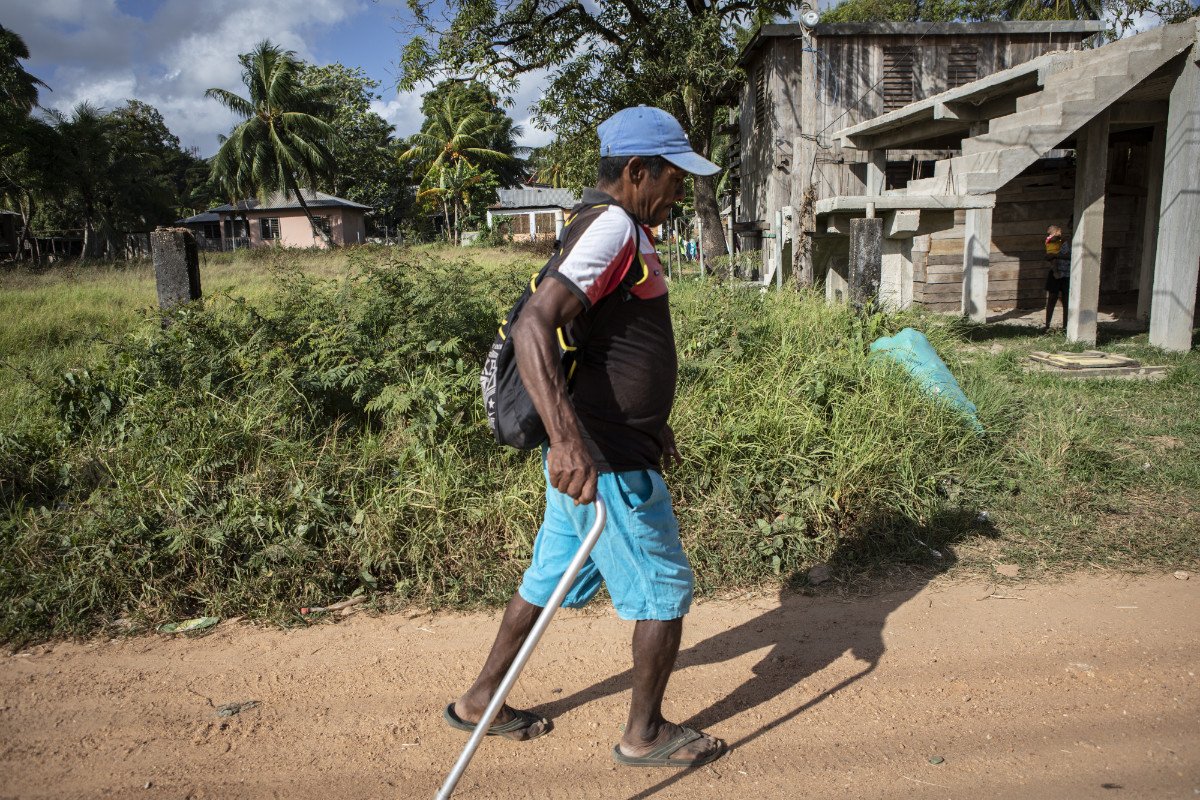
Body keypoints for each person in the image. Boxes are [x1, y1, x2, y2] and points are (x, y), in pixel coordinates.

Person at [442, 106, 727, 768]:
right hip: (604, 460)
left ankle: (482, 698)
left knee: (548, 576)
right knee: (662, 587)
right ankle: (646, 734)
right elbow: (536, 326)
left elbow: (612, 345)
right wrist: (570, 444)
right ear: (637, 171)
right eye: (674, 175)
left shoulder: (610, 227)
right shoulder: (615, 228)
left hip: (606, 446)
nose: (682, 190)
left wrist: (655, 421)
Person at [1044, 225, 1071, 332]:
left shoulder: (1073, 241)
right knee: (1052, 298)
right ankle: (1047, 325)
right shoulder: (1061, 240)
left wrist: (1055, 256)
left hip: (1068, 273)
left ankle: (1066, 326)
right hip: (1057, 271)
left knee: (1066, 300)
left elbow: (1074, 256)